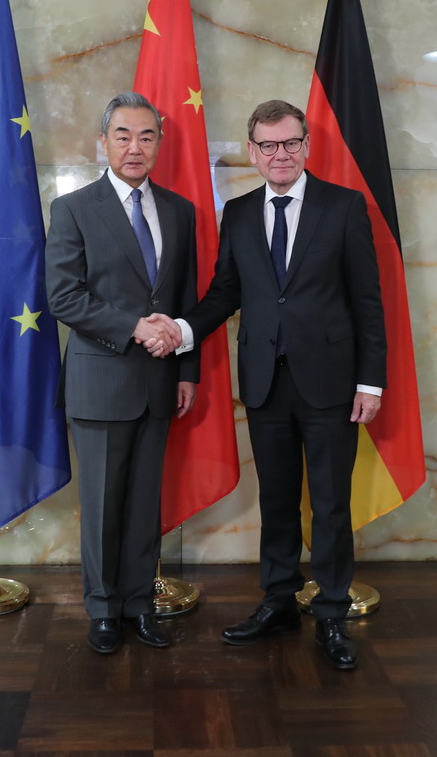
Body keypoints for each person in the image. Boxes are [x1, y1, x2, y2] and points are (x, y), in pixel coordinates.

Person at [144, 99, 386, 669]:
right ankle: (278, 601)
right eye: (269, 145)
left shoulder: (344, 207)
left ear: (307, 146)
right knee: (277, 501)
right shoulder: (239, 212)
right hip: (264, 383)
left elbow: (368, 302)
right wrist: (182, 330)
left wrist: (371, 383)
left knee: (330, 504)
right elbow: (226, 292)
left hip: (331, 384)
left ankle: (331, 613)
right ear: (252, 152)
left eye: (291, 143)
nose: (281, 154)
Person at [45, 91, 199, 654]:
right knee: (103, 506)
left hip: (160, 383)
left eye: (146, 136)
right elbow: (64, 297)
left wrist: (187, 371)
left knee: (142, 505)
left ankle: (138, 605)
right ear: (102, 143)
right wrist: (134, 327)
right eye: (123, 135)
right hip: (100, 382)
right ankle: (103, 609)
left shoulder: (180, 211)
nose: (135, 147)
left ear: (159, 143)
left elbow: (185, 297)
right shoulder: (74, 209)